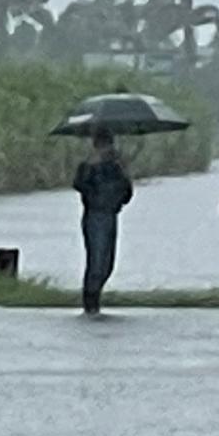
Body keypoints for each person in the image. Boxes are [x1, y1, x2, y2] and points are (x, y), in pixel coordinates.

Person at [72, 129, 133, 315]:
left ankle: (94, 298)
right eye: (104, 145)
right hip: (94, 216)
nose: (107, 149)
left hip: (111, 215)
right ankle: (90, 303)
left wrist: (123, 172)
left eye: (109, 145)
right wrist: (90, 166)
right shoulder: (87, 165)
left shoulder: (116, 167)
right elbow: (79, 185)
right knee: (96, 261)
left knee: (108, 263)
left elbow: (127, 193)